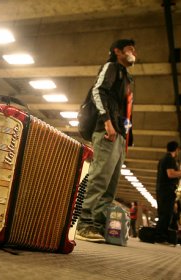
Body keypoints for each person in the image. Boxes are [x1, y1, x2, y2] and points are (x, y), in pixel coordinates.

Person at [76, 39, 137, 242]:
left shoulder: (126, 76)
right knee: (99, 178)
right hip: (107, 130)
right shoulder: (111, 67)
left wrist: (127, 136)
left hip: (119, 134)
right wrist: (107, 122)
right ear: (117, 51)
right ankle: (83, 224)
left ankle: (98, 224)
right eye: (129, 49)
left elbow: (125, 108)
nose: (133, 52)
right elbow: (98, 91)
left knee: (110, 184)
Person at [155, 141, 181, 243]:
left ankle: (160, 235)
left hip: (162, 189)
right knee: (166, 214)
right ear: (176, 149)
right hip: (167, 190)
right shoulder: (169, 159)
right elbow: (170, 174)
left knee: (163, 213)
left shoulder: (163, 159)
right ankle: (159, 236)